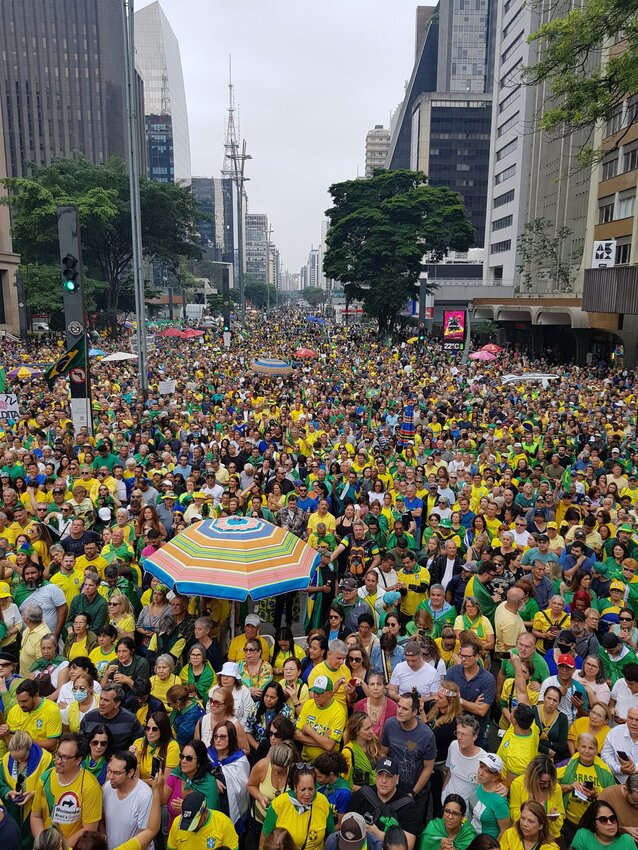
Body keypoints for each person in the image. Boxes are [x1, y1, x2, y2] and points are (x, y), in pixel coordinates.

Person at [30, 732, 103, 846]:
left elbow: (89, 830)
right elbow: (36, 816)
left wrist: (61, 847)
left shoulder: (90, 787)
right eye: (58, 755)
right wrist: (44, 843)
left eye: (65, 757)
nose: (58, 761)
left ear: (78, 760)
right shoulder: (45, 778)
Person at [348, 756, 424, 850]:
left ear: (397, 779)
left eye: (389, 776)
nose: (383, 780)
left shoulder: (407, 806)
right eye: (380, 774)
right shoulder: (362, 795)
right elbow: (347, 826)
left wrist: (379, 834)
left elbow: (408, 845)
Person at [557, 732, 616, 846]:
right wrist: (570, 786)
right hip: (570, 822)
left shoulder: (605, 771)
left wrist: (596, 794)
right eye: (583, 747)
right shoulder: (566, 765)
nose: (586, 751)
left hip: (593, 825)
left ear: (596, 750)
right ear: (577, 747)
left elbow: (613, 798)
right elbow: (551, 788)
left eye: (591, 748)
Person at [260, 762, 335, 850]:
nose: (307, 794)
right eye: (303, 789)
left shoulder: (323, 802)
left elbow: (331, 837)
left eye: (311, 789)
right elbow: (263, 845)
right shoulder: (278, 805)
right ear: (295, 787)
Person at [0, 730, 52, 850]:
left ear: (30, 748)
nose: (19, 761)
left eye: (23, 757)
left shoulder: (45, 760)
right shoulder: (7, 759)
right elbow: (0, 783)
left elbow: (51, 786)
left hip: (35, 813)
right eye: (16, 759)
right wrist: (8, 792)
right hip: (13, 812)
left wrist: (34, 794)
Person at [380, 691, 436, 799]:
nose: (399, 711)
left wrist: (413, 793)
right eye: (399, 706)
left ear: (414, 712)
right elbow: (383, 754)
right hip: (392, 789)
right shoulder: (390, 724)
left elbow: (428, 768)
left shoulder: (427, 735)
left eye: (405, 709)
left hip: (415, 793)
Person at [162, 738, 220, 832]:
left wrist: (187, 808)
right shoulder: (176, 774)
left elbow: (211, 815)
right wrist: (157, 787)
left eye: (189, 758)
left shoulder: (208, 782)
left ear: (199, 762)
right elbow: (162, 800)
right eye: (182, 756)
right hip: (174, 833)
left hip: (199, 835)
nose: (183, 761)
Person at [445, 642, 495, 748]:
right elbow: (446, 702)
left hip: (478, 732)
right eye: (461, 656)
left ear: (477, 657)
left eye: (467, 656)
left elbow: (481, 711)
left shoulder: (488, 679)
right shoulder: (452, 672)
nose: (463, 659)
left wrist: (459, 700)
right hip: (454, 728)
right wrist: (473, 705)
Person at [102, 750, 153, 850]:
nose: (110, 777)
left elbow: (144, 835)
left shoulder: (145, 796)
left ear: (130, 773)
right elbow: (101, 817)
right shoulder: (108, 786)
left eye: (116, 773)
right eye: (109, 771)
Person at [247, 741, 297, 839]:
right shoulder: (262, 766)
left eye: (280, 771)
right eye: (274, 769)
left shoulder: (294, 772)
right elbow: (251, 785)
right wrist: (260, 797)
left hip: (283, 823)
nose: (276, 773)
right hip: (260, 821)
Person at [207, 720, 250, 831]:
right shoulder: (207, 756)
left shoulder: (240, 760)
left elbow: (242, 789)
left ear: (230, 738)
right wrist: (212, 782)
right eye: (215, 736)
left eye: (222, 737)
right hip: (210, 808)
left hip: (230, 809)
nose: (218, 740)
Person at [508, 755, 565, 840]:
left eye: (549, 782)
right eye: (542, 782)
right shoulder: (518, 785)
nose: (546, 785)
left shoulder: (555, 788)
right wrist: (531, 815)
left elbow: (561, 815)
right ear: (532, 777)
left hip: (548, 838)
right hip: (523, 837)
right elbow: (513, 813)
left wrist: (554, 818)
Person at [295, 674, 347, 762]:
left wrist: (309, 731)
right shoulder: (308, 704)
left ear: (330, 693)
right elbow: (296, 735)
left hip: (327, 764)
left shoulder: (339, 712)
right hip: (305, 761)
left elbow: (329, 746)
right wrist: (322, 741)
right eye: (314, 691)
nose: (315, 695)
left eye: (319, 692)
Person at [166, 788, 239, 850]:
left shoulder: (224, 823)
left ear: (205, 811)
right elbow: (171, 848)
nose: (190, 828)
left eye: (194, 821)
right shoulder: (177, 822)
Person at [2, 679, 62, 752]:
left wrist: (28, 740)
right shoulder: (14, 710)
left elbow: (52, 745)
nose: (21, 705)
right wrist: (6, 735)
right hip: (19, 754)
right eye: (18, 701)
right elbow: (12, 745)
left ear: (36, 695)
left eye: (25, 701)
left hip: (42, 755)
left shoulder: (52, 710)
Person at [80, 683, 144, 751]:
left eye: (106, 700)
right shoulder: (88, 718)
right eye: (101, 698)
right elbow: (81, 745)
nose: (101, 703)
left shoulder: (130, 720)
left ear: (117, 704)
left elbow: (141, 742)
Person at [130, 710, 180, 785]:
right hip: (141, 789)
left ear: (163, 730)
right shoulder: (139, 743)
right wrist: (134, 759)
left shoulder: (172, 746)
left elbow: (166, 781)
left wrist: (142, 781)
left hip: (161, 790)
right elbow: (134, 778)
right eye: (147, 728)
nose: (150, 732)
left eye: (155, 729)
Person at [468, 753, 510, 840]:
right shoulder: (481, 785)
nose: (480, 773)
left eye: (487, 771)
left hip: (485, 844)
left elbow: (504, 832)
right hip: (471, 837)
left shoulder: (499, 802)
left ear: (495, 777)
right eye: (481, 767)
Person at [442, 714, 485, 799]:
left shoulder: (483, 759)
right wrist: (443, 790)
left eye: (464, 734)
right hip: (446, 801)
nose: (459, 738)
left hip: (467, 809)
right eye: (458, 733)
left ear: (474, 737)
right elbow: (450, 770)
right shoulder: (453, 745)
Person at [570, 800, 635, 850]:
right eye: (603, 820)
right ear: (594, 823)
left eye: (612, 818)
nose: (610, 823)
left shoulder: (627, 840)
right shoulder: (583, 835)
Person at [354, 672, 397, 740]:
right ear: (367, 687)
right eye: (372, 684)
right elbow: (354, 731)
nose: (375, 688)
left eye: (379, 684)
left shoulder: (393, 707)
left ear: (384, 687)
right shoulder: (359, 705)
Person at [342, 711, 379, 790]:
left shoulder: (373, 744)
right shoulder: (347, 752)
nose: (371, 731)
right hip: (360, 796)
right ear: (357, 731)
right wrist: (367, 791)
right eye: (367, 729)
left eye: (371, 727)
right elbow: (345, 783)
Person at [602, 706, 638, 783]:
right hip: (616, 781)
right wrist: (619, 769)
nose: (634, 723)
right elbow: (606, 756)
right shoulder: (614, 732)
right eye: (631, 718)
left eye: (637, 720)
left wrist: (634, 767)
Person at [599, 772, 638, 843]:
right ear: (626, 789)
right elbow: (596, 825)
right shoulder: (607, 795)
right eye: (635, 802)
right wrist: (623, 830)